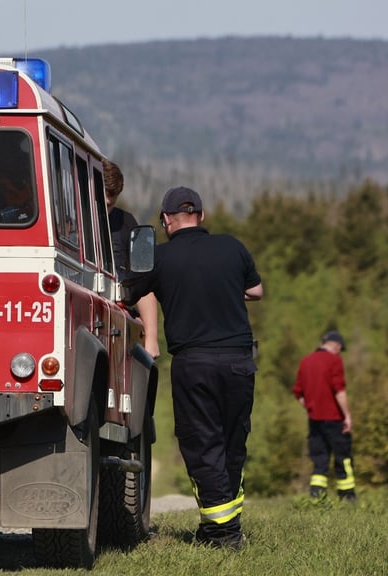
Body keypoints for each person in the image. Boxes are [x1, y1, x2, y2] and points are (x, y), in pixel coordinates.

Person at [121, 185, 262, 550]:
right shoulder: (232, 246)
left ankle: (224, 534)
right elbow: (257, 291)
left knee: (203, 443)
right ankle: (221, 527)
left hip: (195, 363)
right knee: (232, 442)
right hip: (239, 361)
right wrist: (224, 290)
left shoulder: (160, 258)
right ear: (201, 216)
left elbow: (126, 292)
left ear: (166, 220)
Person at [103, 159, 160, 359]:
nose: (106, 206)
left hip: (118, 320)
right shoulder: (67, 220)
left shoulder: (128, 223)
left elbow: (144, 282)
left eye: (111, 203)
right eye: (100, 200)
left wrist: (151, 337)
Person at [293, 331, 356, 502]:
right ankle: (347, 497)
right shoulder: (334, 360)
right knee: (343, 457)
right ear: (336, 345)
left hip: (315, 420)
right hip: (334, 418)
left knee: (319, 459)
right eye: (340, 349)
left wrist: (311, 408)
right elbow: (339, 391)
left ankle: (317, 497)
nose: (340, 352)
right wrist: (347, 416)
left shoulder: (306, 361)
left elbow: (298, 393)